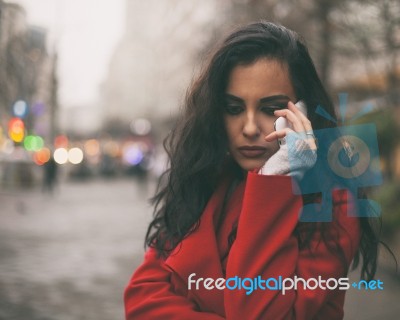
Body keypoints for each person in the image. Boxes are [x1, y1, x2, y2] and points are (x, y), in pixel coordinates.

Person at [124, 21, 379, 319]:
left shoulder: (332, 204)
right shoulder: (206, 183)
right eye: (233, 109)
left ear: (303, 113)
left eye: (271, 109)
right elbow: (142, 297)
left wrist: (275, 180)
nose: (248, 128)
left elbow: (258, 311)